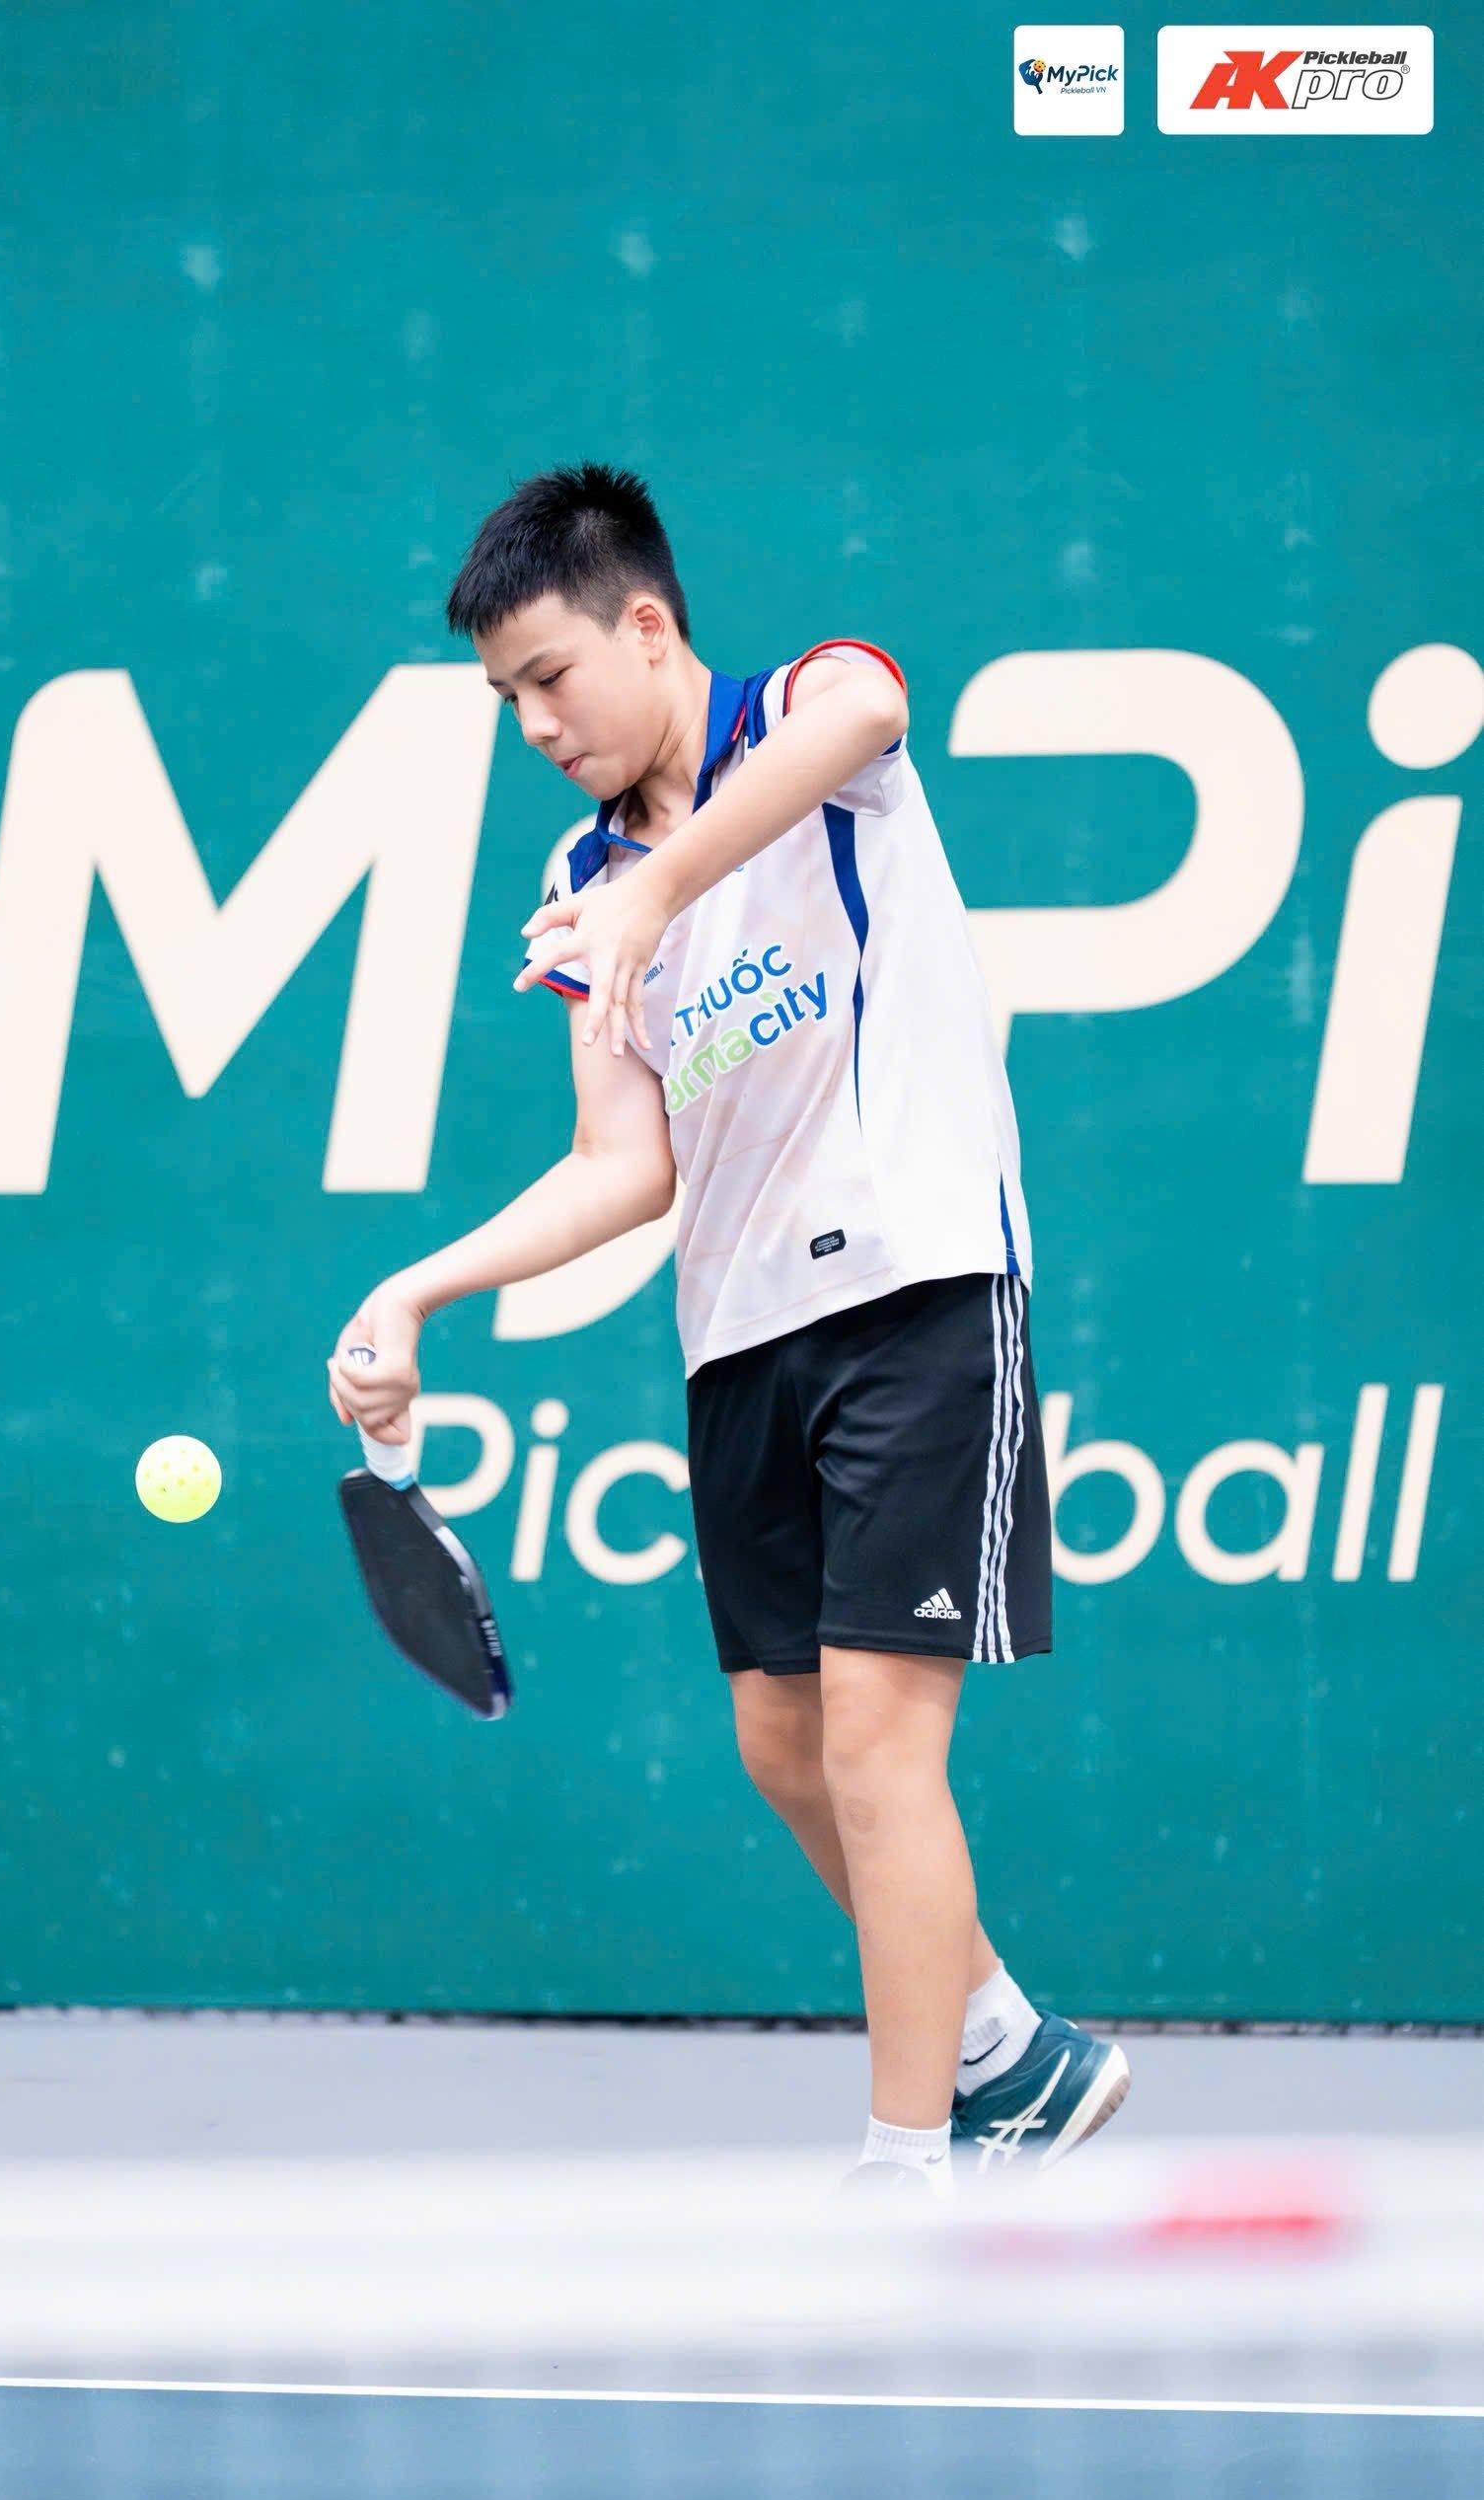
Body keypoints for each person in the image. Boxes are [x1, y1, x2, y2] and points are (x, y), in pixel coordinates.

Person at [328, 462, 1129, 2195]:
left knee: (877, 1744)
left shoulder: (805, 715)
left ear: (646, 626)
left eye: (550, 677)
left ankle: (907, 2166)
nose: (534, 725)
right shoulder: (579, 876)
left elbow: (870, 712)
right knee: (781, 1744)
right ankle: (1002, 2049)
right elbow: (621, 1165)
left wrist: (659, 888)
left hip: (915, 1290)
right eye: (505, 700)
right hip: (742, 1339)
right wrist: (416, 1289)